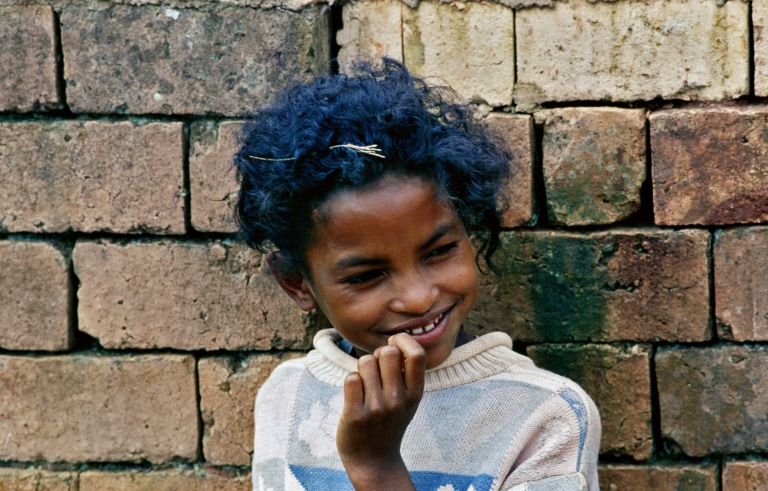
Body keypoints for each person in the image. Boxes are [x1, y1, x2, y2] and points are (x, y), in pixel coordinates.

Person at [235, 58, 601, 491]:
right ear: (297, 283)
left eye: (440, 251)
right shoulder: (287, 395)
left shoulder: (545, 415)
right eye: (366, 276)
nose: (418, 297)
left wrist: (376, 466)